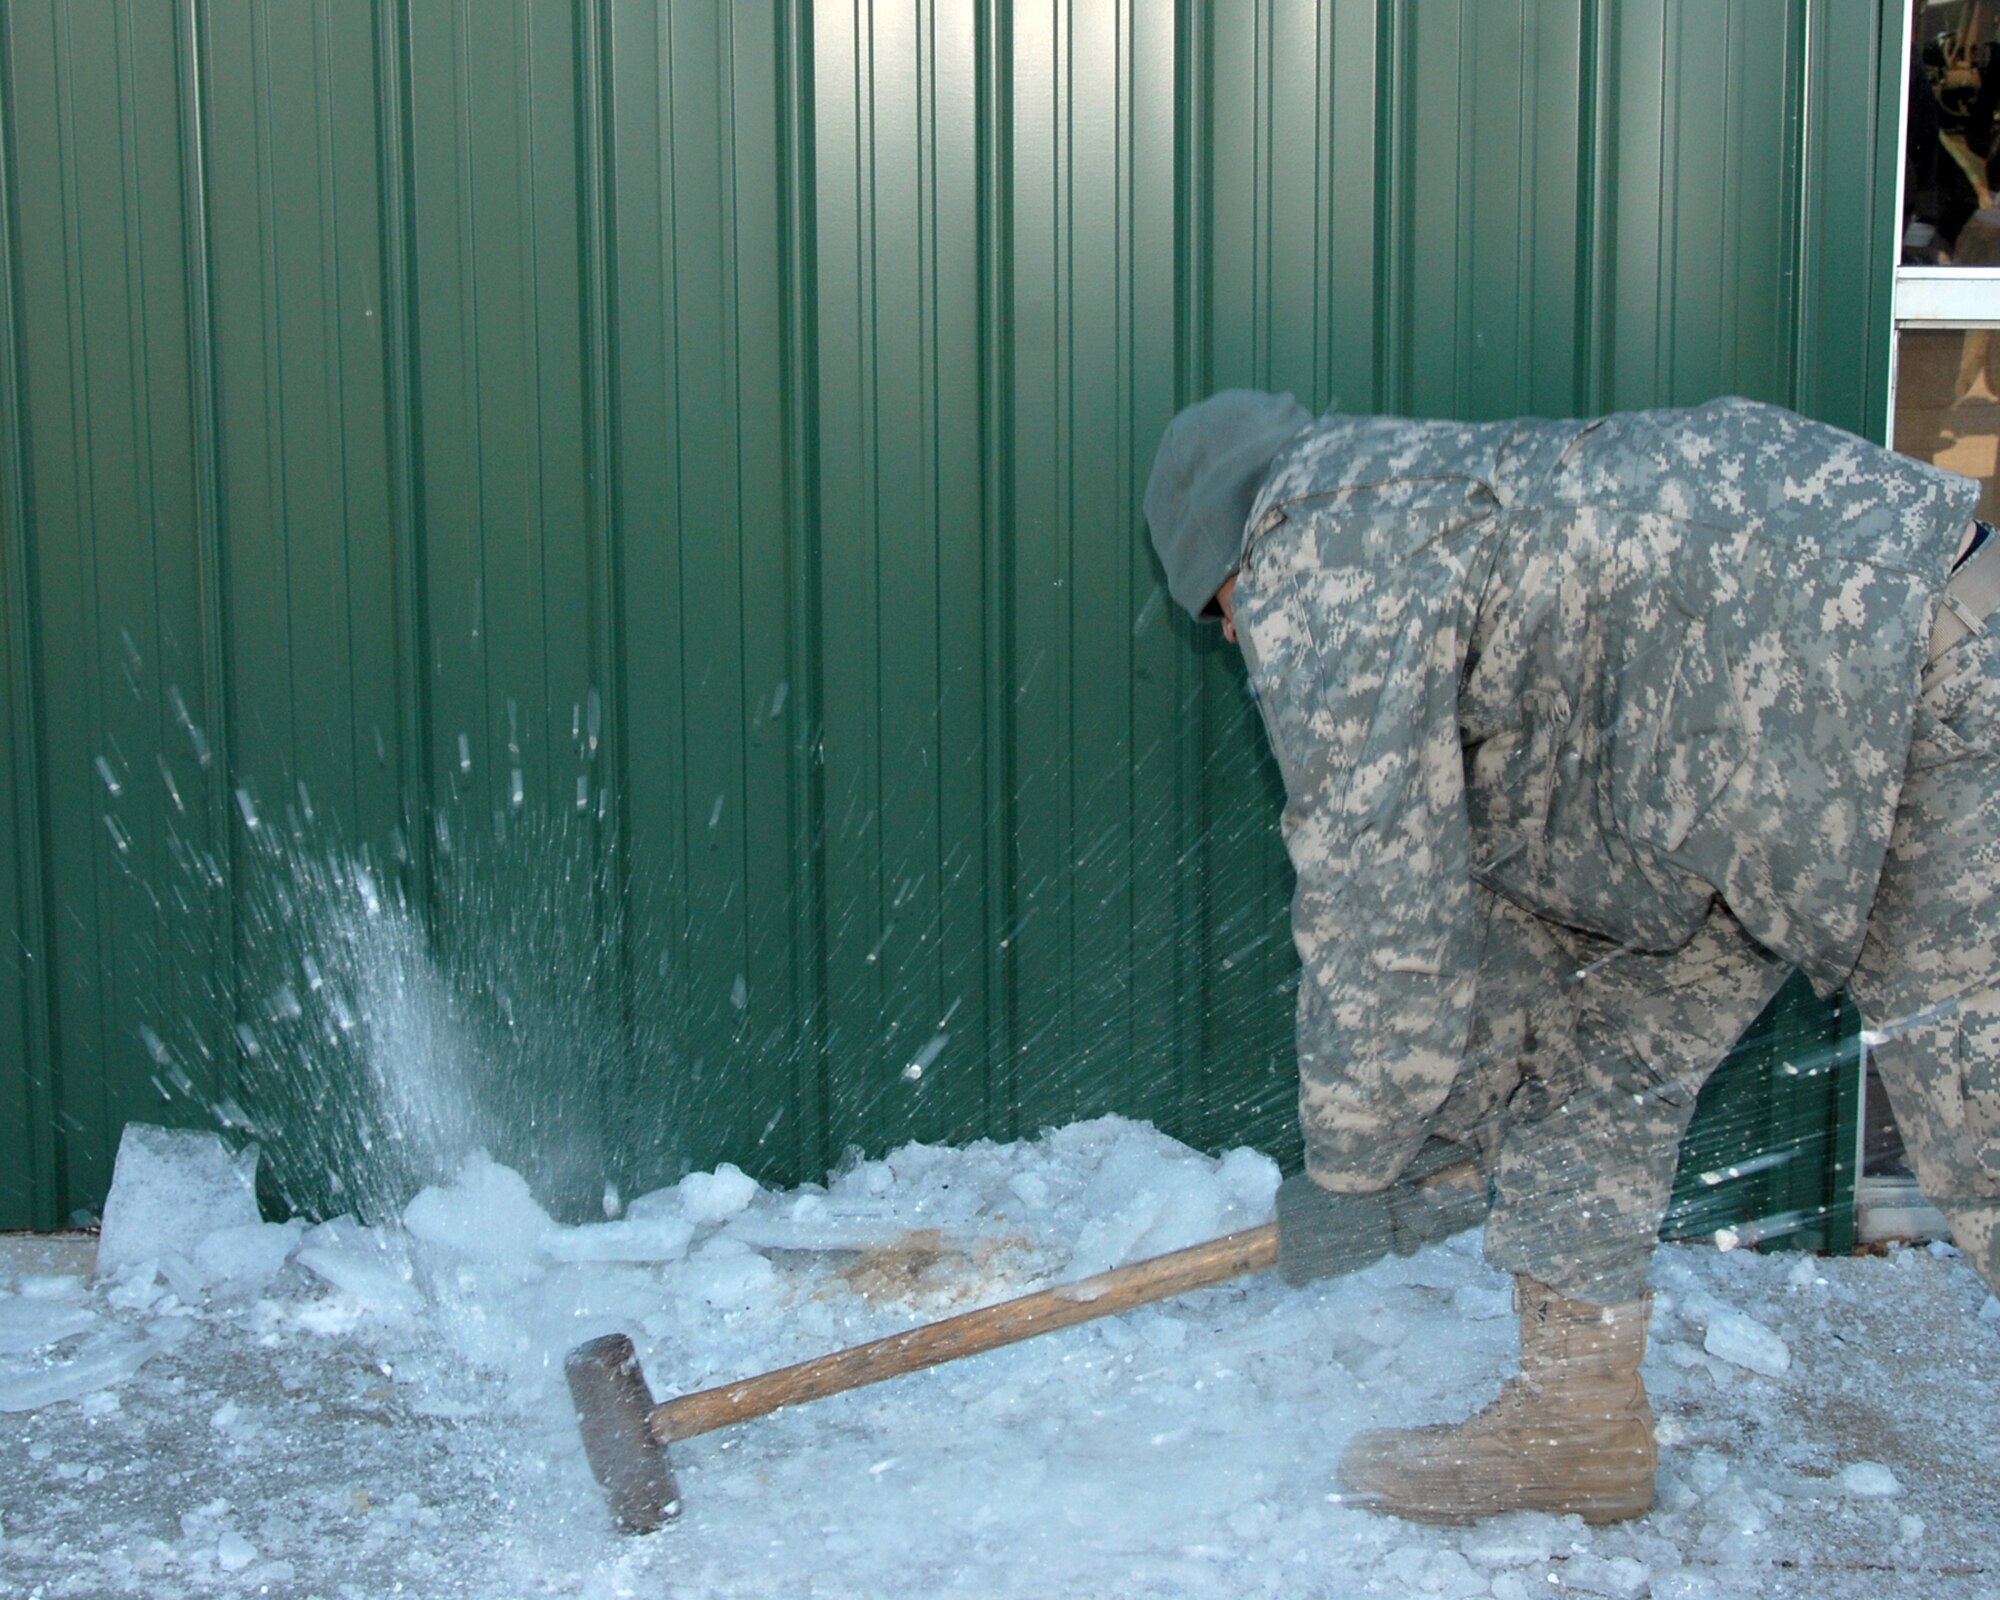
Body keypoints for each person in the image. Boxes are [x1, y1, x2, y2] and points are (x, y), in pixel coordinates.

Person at [1144, 390, 2000, 1525]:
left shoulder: (1317, 546)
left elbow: (1373, 895)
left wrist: (1354, 1170)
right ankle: (1572, 1426)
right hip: (1746, 754)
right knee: (1588, 1070)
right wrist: (1435, 1142)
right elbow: (1487, 923)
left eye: (1220, 617)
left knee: (1983, 1111)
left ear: (1221, 552)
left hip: (1908, 673)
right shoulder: (1413, 507)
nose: (1237, 642)